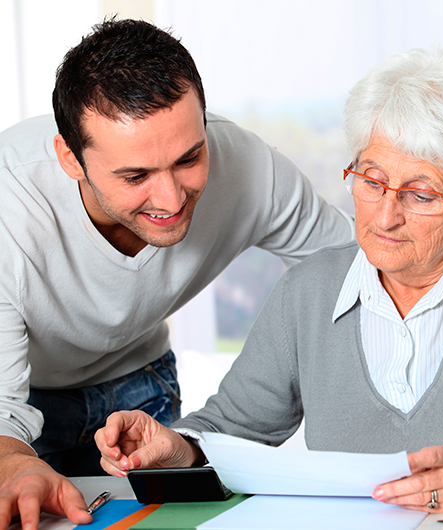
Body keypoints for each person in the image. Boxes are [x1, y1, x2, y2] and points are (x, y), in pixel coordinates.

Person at [98, 48, 443, 514]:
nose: (385, 217)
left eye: (421, 194)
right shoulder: (307, 291)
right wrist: (176, 448)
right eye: (371, 180)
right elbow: (233, 430)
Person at [0, 18, 354, 529]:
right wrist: (12, 462)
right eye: (135, 176)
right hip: (24, 404)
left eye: (189, 158)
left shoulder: (250, 168)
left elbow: (355, 268)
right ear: (70, 159)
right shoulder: (10, 205)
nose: (171, 199)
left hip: (143, 386)